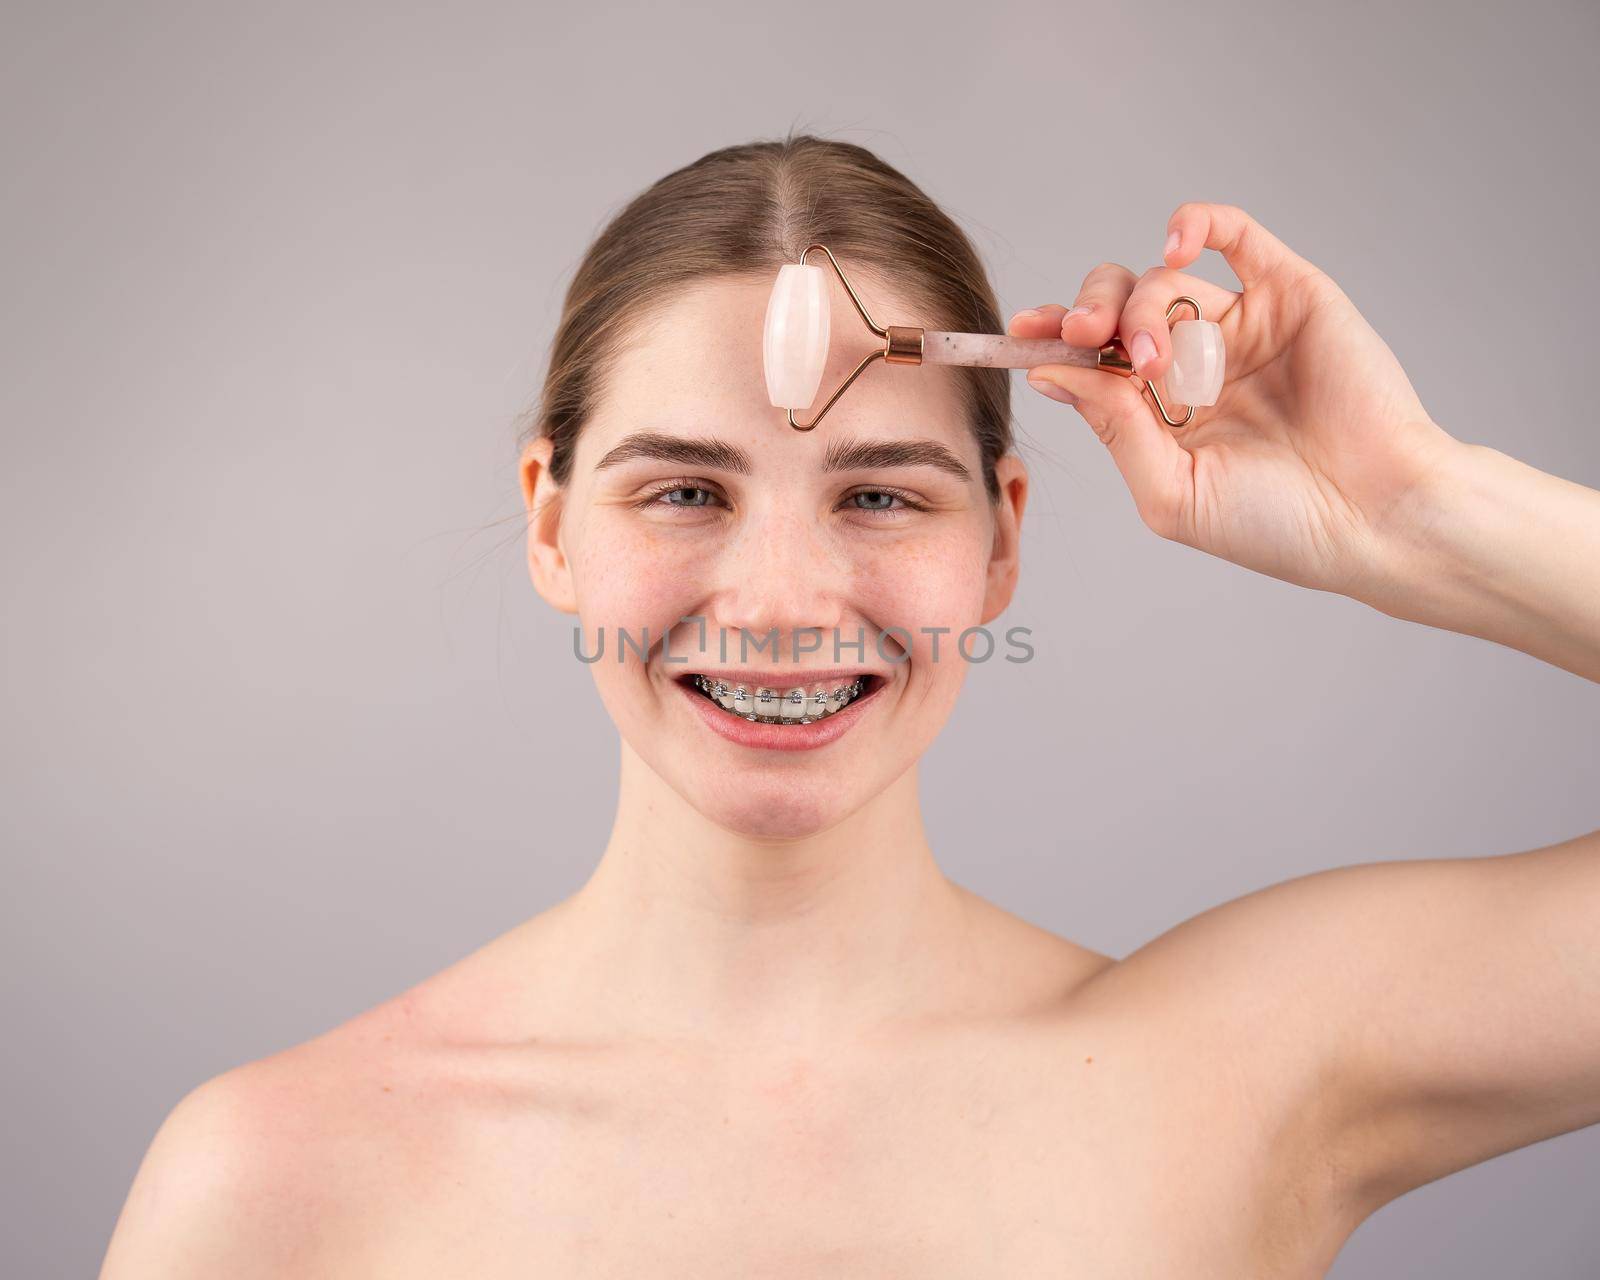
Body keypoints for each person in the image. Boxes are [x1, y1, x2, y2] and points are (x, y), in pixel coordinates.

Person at [99, 134, 1600, 1277]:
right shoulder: (274, 1181)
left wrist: (1416, 506)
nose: (780, 600)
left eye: (880, 493)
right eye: (684, 489)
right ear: (551, 526)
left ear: (1003, 533)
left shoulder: (1245, 1069)